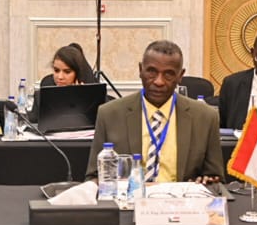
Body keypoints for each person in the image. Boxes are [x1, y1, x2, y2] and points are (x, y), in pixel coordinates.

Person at [86, 40, 223, 183]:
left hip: (181, 197)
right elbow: (93, 177)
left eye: (168, 74)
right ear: (140, 70)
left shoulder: (205, 117)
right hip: (129, 196)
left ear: (180, 76)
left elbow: (215, 179)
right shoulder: (109, 114)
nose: (159, 81)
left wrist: (207, 181)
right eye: (152, 72)